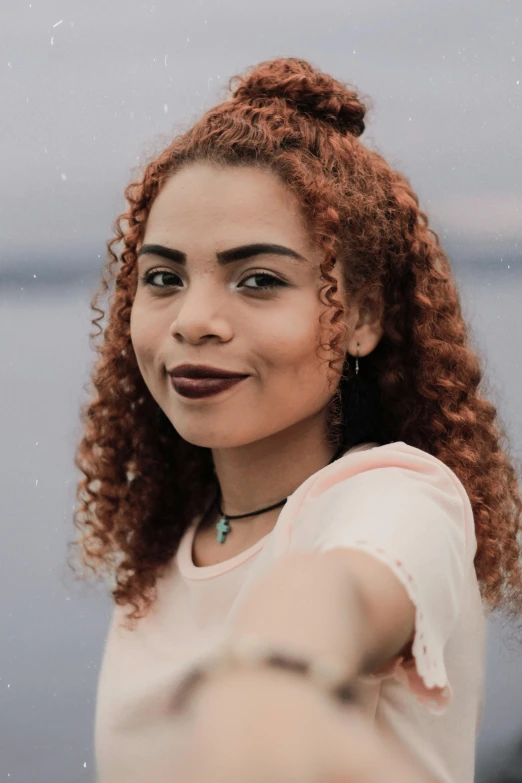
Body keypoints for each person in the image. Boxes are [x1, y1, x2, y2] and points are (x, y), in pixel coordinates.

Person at [68, 57, 522, 783]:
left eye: (260, 280)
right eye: (163, 277)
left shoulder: (399, 497)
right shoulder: (173, 545)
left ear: (363, 316)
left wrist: (273, 677)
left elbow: (334, 594)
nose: (194, 320)